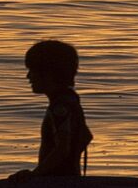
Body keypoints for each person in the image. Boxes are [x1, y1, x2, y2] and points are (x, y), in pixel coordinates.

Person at [10, 39, 93, 180]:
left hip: (56, 183)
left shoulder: (60, 107)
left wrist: (34, 175)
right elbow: (86, 136)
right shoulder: (71, 99)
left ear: (48, 73)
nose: (28, 77)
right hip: (70, 180)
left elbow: (62, 149)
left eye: (32, 71)